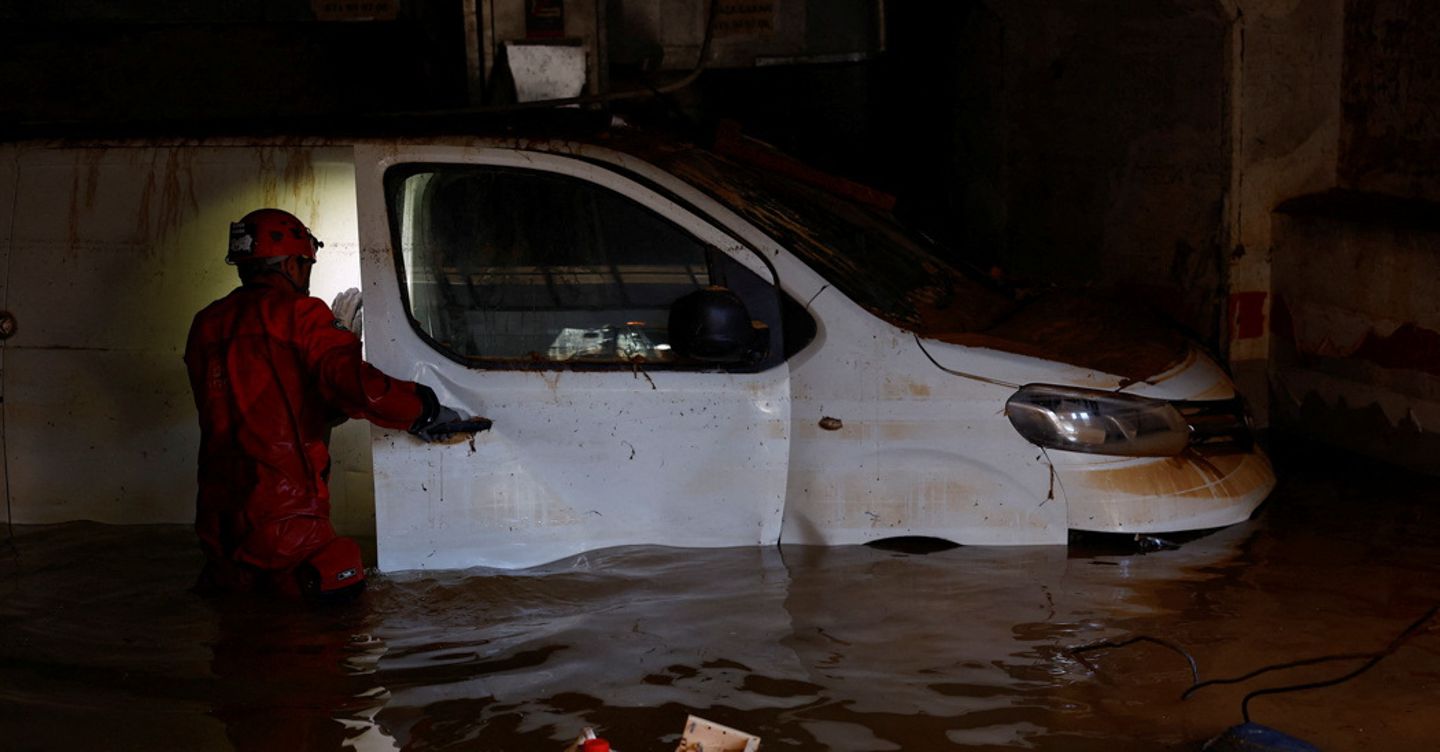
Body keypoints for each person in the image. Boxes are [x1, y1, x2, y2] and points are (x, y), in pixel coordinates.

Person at [184, 208, 466, 601]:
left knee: (238, 633)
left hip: (218, 523)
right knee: (329, 615)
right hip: (286, 517)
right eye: (305, 264)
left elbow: (266, 408)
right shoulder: (301, 315)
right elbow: (360, 389)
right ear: (291, 264)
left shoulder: (205, 324)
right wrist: (425, 408)